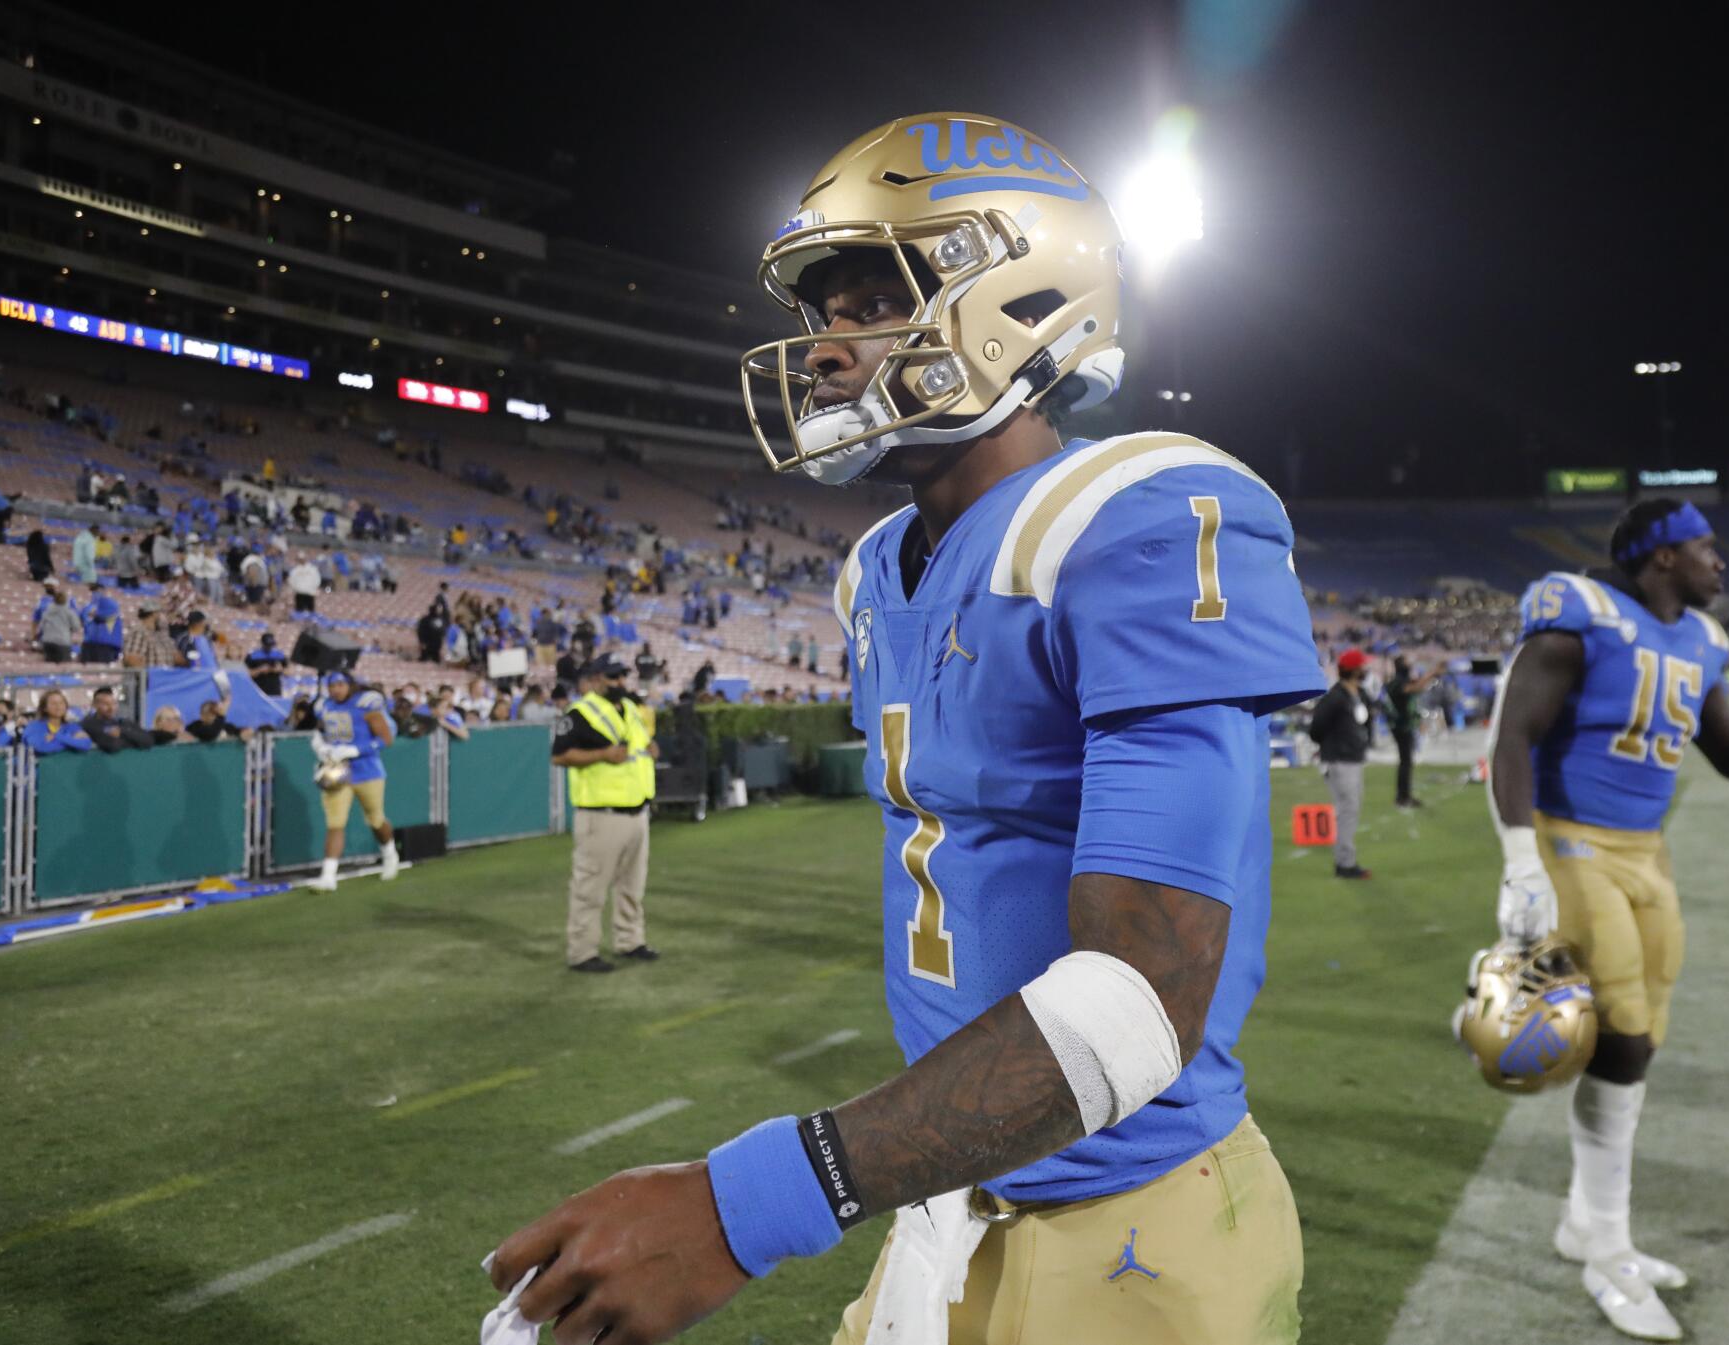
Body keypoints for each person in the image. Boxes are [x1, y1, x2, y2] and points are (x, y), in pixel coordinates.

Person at [488, 114, 1323, 1345]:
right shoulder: (876, 567)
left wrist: (743, 1207)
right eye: (823, 313)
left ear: (1020, 291)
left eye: (873, 300)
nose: (826, 352)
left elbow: (1142, 995)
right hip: (947, 1192)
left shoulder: (1134, 513)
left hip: (1124, 1222)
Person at [1485, 498, 1729, 1340]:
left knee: (1645, 1036)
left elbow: (1727, 745)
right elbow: (1513, 734)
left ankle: (1588, 1221)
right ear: (1660, 557)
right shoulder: (1584, 612)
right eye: (1704, 548)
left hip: (1647, 852)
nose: (1721, 562)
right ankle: (1606, 1242)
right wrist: (1519, 856)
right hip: (1573, 841)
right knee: (1622, 1032)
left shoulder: (1704, 640)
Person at [548, 654, 658, 973]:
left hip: (637, 810)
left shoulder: (629, 710)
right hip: (601, 814)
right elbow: (560, 756)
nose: (621, 682)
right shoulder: (580, 713)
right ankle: (582, 952)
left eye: (623, 676)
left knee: (632, 887)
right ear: (595, 679)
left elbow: (637, 747)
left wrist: (651, 748)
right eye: (613, 677)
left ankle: (630, 940)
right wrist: (601, 755)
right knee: (590, 889)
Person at [306, 670, 401, 891]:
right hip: (338, 773)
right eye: (332, 686)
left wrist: (355, 750)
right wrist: (320, 744)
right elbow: (321, 731)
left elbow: (386, 739)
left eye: (340, 685)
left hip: (368, 771)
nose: (335, 690)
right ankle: (328, 876)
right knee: (335, 823)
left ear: (349, 685)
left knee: (376, 820)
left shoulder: (366, 704)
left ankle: (389, 854)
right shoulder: (325, 705)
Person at [1307, 649, 1374, 879]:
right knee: (1348, 810)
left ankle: (1346, 859)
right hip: (1339, 760)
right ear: (1354, 670)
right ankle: (1345, 863)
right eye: (1363, 666)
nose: (1366, 670)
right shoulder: (1335, 697)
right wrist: (1332, 746)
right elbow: (1316, 729)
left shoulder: (1359, 694)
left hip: (1353, 759)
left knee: (1351, 810)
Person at [1384, 654, 1439, 808]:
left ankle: (1404, 795)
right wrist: (1431, 673)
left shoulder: (1401, 681)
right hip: (1400, 727)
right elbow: (1414, 687)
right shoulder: (1397, 683)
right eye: (1407, 663)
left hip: (1404, 726)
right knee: (1405, 762)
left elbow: (1417, 686)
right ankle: (1403, 797)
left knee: (1406, 761)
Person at [79, 685, 153, 753]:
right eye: (106, 704)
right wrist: (133, 741)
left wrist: (122, 732)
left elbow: (148, 741)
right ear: (95, 705)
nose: (111, 708)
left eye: (114, 703)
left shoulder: (123, 722)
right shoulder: (88, 724)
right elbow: (112, 746)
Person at [24, 688, 95, 755]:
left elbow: (86, 745)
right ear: (44, 708)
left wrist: (57, 736)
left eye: (61, 703)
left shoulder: (72, 727)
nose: (58, 706)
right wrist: (72, 741)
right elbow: (41, 747)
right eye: (53, 703)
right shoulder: (34, 727)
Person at [123, 600, 182, 669]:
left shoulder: (160, 634)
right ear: (154, 613)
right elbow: (131, 659)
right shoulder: (139, 632)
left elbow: (176, 658)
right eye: (160, 613)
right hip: (150, 678)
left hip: (166, 677)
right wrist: (148, 677)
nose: (162, 616)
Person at [80, 583, 124, 665]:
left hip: (105, 645)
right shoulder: (87, 608)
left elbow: (104, 617)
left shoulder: (110, 605)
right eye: (93, 591)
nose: (96, 593)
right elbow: (83, 622)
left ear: (104, 591)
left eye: (98, 591)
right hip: (90, 644)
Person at [37, 586, 83, 664]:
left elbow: (41, 626)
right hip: (62, 642)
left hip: (47, 642)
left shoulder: (47, 612)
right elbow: (76, 627)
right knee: (63, 666)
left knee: (48, 666)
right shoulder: (69, 613)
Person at [245, 632, 288, 696]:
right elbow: (246, 674)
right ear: (262, 643)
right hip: (257, 689)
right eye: (267, 645)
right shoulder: (252, 656)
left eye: (271, 645)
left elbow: (288, 672)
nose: (269, 647)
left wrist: (280, 669)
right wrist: (260, 670)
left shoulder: (280, 655)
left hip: (275, 690)